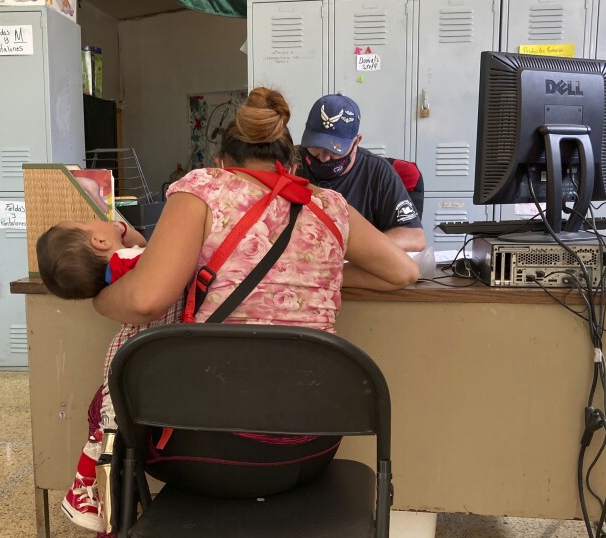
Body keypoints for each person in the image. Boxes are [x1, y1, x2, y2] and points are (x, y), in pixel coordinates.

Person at [90, 87, 418, 511]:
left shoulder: (203, 188)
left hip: (209, 448)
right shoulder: (331, 205)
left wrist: (99, 299)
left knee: (107, 405)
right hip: (312, 447)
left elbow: (145, 300)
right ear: (294, 162)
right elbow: (404, 272)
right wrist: (314, 274)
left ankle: (114, 519)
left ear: (222, 162)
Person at [36, 220, 182, 534]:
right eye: (87, 224)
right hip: (139, 385)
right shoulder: (134, 265)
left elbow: (139, 246)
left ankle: (111, 521)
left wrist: (119, 231)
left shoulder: (118, 272)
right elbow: (158, 256)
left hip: (121, 380)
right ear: (100, 241)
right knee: (115, 460)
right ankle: (112, 520)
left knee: (111, 457)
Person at [294, 93, 426, 252]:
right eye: (316, 147)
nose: (323, 158)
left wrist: (348, 249)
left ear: (356, 142)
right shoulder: (291, 162)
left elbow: (414, 237)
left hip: (352, 265)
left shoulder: (377, 172)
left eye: (334, 150)